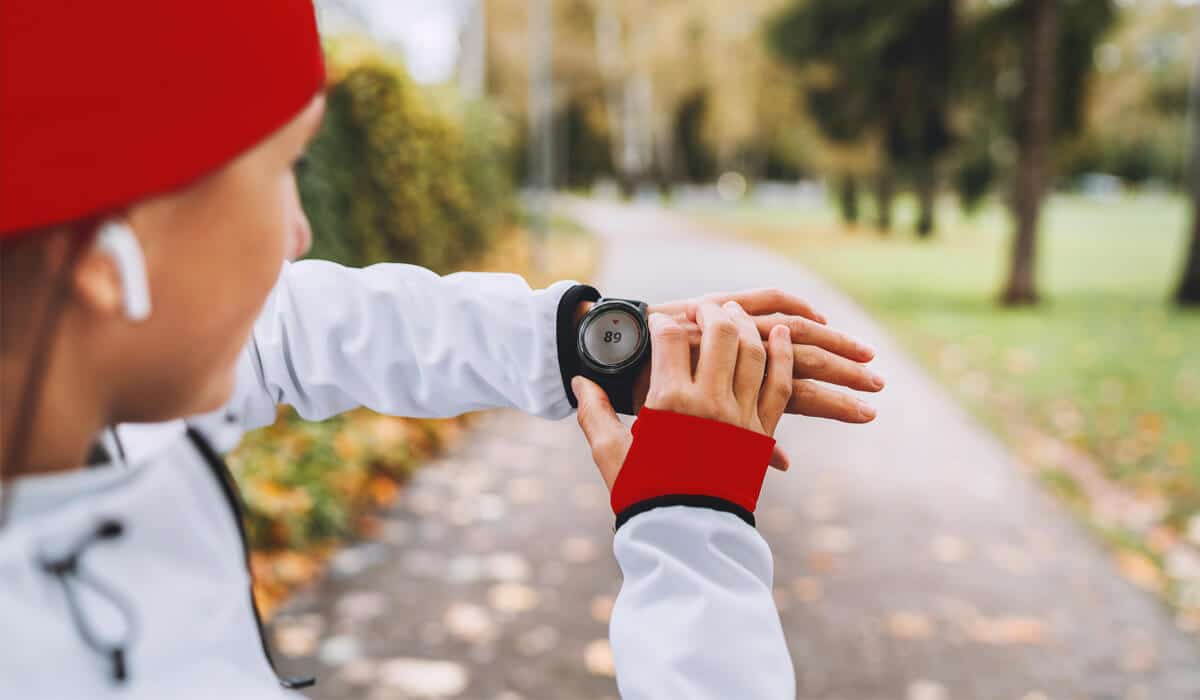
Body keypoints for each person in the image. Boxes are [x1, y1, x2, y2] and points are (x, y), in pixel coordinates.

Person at [0, 1, 883, 698]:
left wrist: (591, 347)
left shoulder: (81, 384)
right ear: (111, 259)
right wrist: (693, 535)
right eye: (283, 170)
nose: (301, 235)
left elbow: (302, 326)